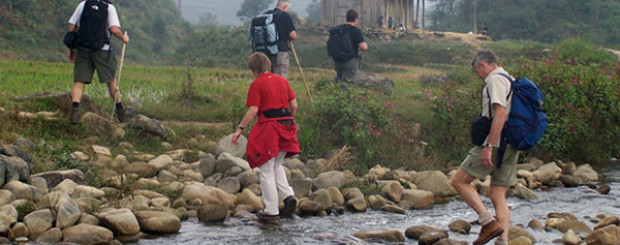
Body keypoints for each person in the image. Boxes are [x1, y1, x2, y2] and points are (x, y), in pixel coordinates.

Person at [450, 50, 518, 245]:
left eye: (477, 71)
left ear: (484, 65)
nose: (479, 76)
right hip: (512, 144)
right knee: (498, 193)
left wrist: (489, 146)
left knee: (459, 181)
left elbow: (500, 114)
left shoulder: (495, 80)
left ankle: (488, 222)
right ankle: (502, 241)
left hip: (496, 142)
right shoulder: (510, 79)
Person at [232, 52, 299, 226]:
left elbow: (254, 110)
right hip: (286, 125)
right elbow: (294, 105)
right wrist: (290, 120)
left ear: (254, 70)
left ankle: (271, 211)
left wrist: (240, 129)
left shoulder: (257, 84)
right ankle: (288, 196)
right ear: (268, 65)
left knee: (266, 168)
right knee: (277, 164)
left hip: (269, 128)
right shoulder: (282, 81)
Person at [67, 0, 133, 124]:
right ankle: (121, 112)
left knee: (79, 81)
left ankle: (74, 113)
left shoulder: (83, 4)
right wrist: (123, 38)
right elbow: (113, 29)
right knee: (111, 80)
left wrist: (71, 49)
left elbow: (72, 27)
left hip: (83, 48)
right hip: (102, 50)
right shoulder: (109, 7)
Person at [332, 9, 369, 82]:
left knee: (339, 82)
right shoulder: (355, 31)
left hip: (337, 61)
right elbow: (363, 47)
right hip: (350, 61)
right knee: (347, 85)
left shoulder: (339, 29)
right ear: (356, 19)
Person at [267, 0, 297, 78]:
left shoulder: (267, 14)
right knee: (280, 76)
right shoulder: (284, 15)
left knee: (269, 76)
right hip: (280, 50)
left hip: (266, 51)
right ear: (285, 6)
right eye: (288, 8)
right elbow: (293, 35)